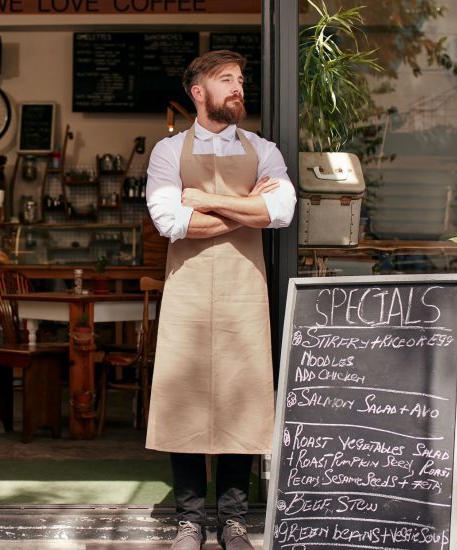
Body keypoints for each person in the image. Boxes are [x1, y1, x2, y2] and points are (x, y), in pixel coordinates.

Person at [144, 50, 296, 550]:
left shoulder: (264, 149)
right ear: (198, 93)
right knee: (185, 403)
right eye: (225, 80)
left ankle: (233, 520)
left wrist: (206, 199)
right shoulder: (167, 153)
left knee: (244, 400)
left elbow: (282, 211)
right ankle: (189, 519)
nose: (237, 88)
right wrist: (248, 207)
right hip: (188, 288)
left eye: (240, 79)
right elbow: (171, 223)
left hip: (243, 290)